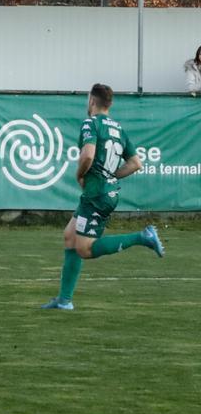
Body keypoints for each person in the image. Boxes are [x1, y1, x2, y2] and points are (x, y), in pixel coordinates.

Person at [41, 83, 164, 310]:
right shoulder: (118, 128)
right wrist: (111, 176)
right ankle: (64, 300)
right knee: (70, 236)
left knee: (84, 249)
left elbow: (87, 156)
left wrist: (80, 175)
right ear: (110, 104)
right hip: (104, 192)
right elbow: (136, 163)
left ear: (91, 101)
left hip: (96, 194)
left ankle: (142, 237)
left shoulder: (91, 123)